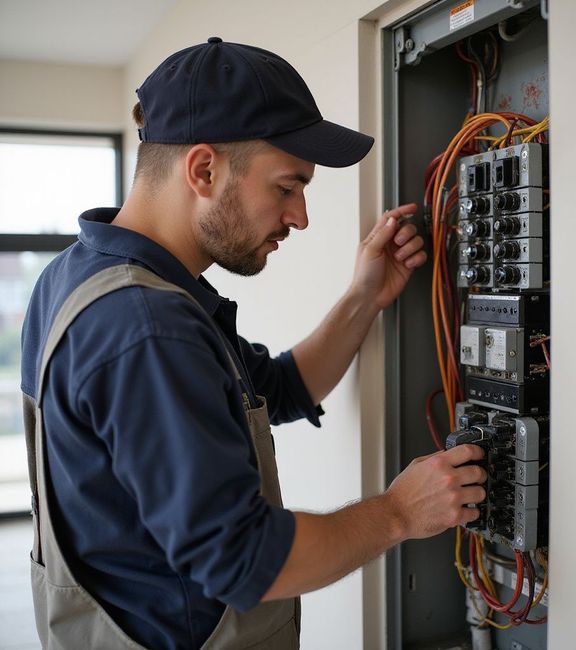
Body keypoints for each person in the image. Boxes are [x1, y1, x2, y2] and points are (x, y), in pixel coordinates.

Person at [21, 37, 486, 650]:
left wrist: (365, 297)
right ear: (204, 170)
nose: (301, 217)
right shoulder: (144, 327)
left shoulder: (79, 276)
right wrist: (399, 512)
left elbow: (281, 390)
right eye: (287, 187)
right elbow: (243, 560)